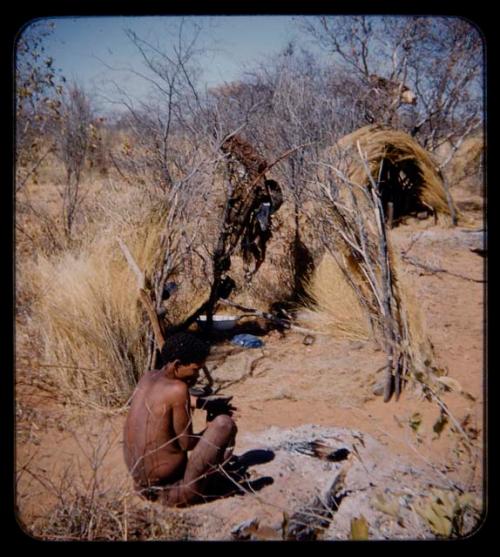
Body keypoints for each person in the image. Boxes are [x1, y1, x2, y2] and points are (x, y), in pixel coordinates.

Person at [123, 332, 237, 507]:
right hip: (173, 491)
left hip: (141, 486)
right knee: (224, 425)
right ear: (177, 365)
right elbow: (187, 443)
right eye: (195, 369)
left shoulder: (148, 377)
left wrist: (203, 404)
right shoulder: (179, 389)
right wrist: (210, 427)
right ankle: (205, 486)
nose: (198, 375)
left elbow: (163, 400)